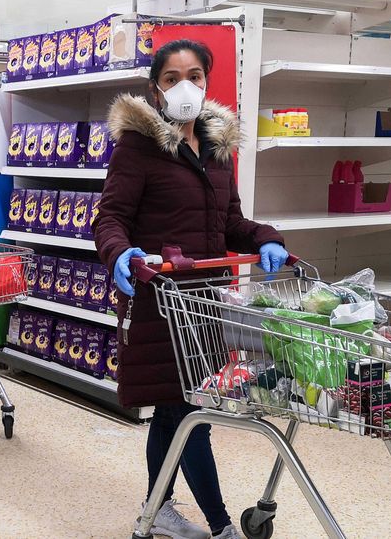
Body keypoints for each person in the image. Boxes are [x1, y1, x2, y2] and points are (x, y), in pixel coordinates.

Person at [94, 39, 288, 539]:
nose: (185, 87)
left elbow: (230, 223)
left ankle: (156, 508)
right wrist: (120, 253)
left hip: (205, 304)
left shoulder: (218, 151)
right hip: (160, 301)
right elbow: (110, 218)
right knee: (188, 411)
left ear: (207, 82)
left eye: (195, 76)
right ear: (155, 89)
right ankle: (221, 525)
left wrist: (265, 238)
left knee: (172, 412)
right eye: (172, 78)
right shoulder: (138, 147)